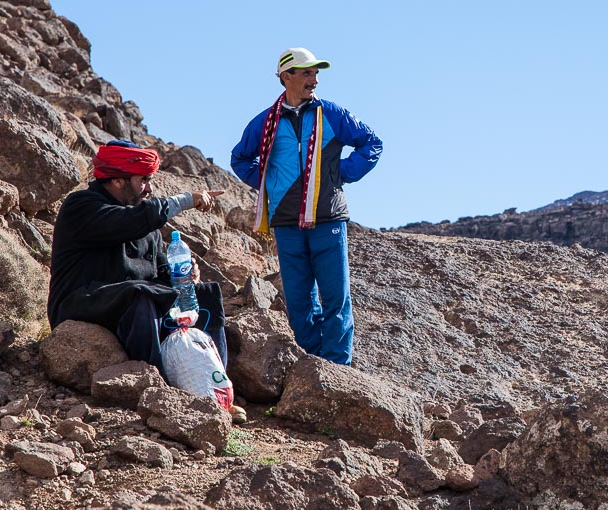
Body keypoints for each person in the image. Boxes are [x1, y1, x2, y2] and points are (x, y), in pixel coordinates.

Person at [231, 48, 382, 365]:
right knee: (299, 301)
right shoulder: (265, 122)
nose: (314, 79)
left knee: (335, 298)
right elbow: (240, 158)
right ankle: (313, 366)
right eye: (306, 73)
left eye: (315, 73)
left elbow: (372, 143)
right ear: (286, 77)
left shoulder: (332, 113)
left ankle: (338, 367)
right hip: (286, 223)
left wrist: (342, 172)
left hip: (328, 218)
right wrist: (269, 182)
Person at [47, 140, 228, 374]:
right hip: (82, 301)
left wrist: (183, 276)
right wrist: (185, 201)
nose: (149, 189)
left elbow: (161, 275)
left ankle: (215, 382)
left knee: (203, 297)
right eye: (143, 180)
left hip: (134, 304)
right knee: (141, 294)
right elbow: (128, 221)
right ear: (117, 180)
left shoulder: (147, 227)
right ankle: (156, 382)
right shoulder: (81, 206)